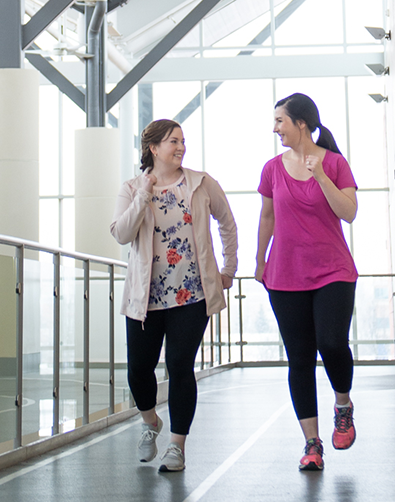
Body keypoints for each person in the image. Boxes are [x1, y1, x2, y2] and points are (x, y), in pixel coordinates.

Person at [111, 119, 237, 472]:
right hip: (145, 298)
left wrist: (228, 269)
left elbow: (227, 224)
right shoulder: (132, 187)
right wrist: (143, 194)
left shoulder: (200, 183)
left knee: (181, 367)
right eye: (173, 142)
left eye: (182, 141)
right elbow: (121, 234)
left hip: (191, 295)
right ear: (153, 148)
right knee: (139, 370)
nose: (180, 148)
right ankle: (151, 422)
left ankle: (177, 447)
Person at [255, 93, 358, 471]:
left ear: (301, 123)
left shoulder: (334, 163)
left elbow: (348, 213)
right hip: (285, 275)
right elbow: (267, 217)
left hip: (333, 271)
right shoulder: (271, 168)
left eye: (280, 120)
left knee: (331, 343)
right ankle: (312, 443)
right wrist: (260, 258)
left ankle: (343, 405)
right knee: (299, 359)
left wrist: (320, 176)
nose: (275, 128)